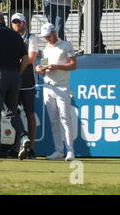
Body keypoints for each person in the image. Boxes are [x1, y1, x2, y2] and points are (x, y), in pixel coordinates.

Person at [0, 8, 31, 161]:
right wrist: (18, 73)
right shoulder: (15, 35)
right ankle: (23, 137)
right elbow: (26, 59)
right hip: (14, 75)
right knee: (12, 111)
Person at [35, 23, 77, 161]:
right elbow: (44, 67)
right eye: (45, 37)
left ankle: (70, 151)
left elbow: (73, 65)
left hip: (62, 87)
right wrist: (40, 69)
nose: (46, 39)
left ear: (54, 32)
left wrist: (56, 66)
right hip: (48, 86)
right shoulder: (45, 49)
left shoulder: (66, 45)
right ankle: (59, 151)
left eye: (48, 35)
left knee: (65, 119)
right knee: (54, 121)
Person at [10, 13, 38, 158]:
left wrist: (15, 63)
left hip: (27, 81)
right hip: (13, 81)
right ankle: (17, 146)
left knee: (29, 113)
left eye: (19, 22)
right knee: (13, 113)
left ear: (24, 23)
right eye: (14, 22)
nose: (17, 24)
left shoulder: (31, 38)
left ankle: (31, 147)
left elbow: (31, 58)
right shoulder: (9, 37)